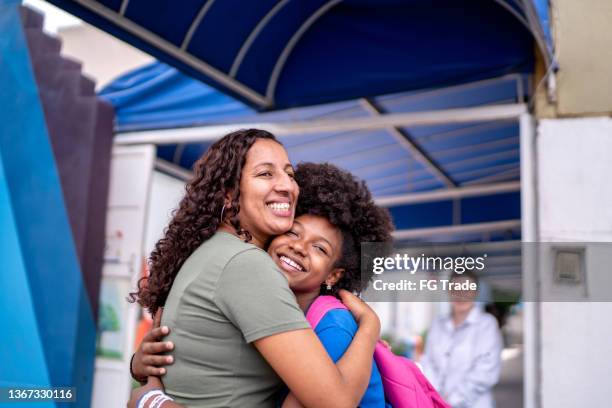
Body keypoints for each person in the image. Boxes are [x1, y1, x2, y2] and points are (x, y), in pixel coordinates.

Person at [128, 129, 381, 408]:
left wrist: (148, 395)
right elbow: (335, 403)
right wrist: (370, 328)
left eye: (289, 174)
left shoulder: (212, 251)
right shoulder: (246, 265)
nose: (287, 185)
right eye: (266, 174)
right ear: (228, 193)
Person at [420, 271, 503, 408]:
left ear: (475, 292)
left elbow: (485, 371)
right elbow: (428, 362)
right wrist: (437, 397)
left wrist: (451, 401)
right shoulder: (437, 325)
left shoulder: (486, 324)